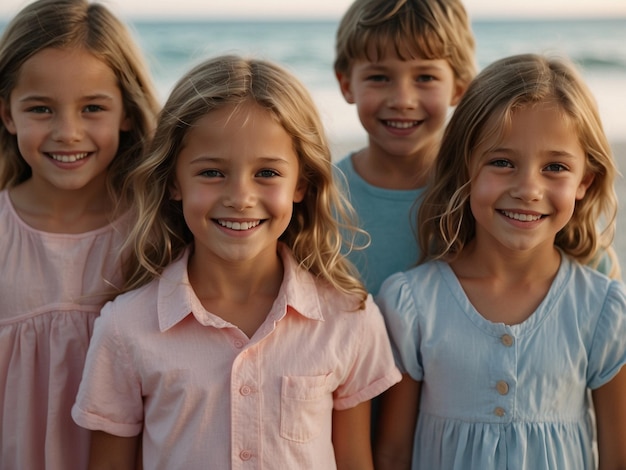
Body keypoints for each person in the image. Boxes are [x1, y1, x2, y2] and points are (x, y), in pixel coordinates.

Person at [71, 54, 402, 469]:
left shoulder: (348, 317)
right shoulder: (125, 328)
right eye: (212, 173)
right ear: (174, 181)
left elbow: (355, 460)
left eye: (267, 173)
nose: (240, 197)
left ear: (301, 183)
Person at [374, 53, 626, 469]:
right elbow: (393, 453)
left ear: (585, 181)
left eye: (555, 167)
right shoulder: (412, 303)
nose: (528, 189)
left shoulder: (603, 310)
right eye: (502, 162)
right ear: (464, 169)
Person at [0, 0, 160, 467]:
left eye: (92, 108)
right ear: (8, 114)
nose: (68, 132)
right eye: (41, 109)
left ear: (127, 112)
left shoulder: (153, 230)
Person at [333, 0, 476, 295]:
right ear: (346, 84)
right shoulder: (321, 195)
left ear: (459, 87)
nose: (402, 100)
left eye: (425, 78)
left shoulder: (477, 192)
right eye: (379, 77)